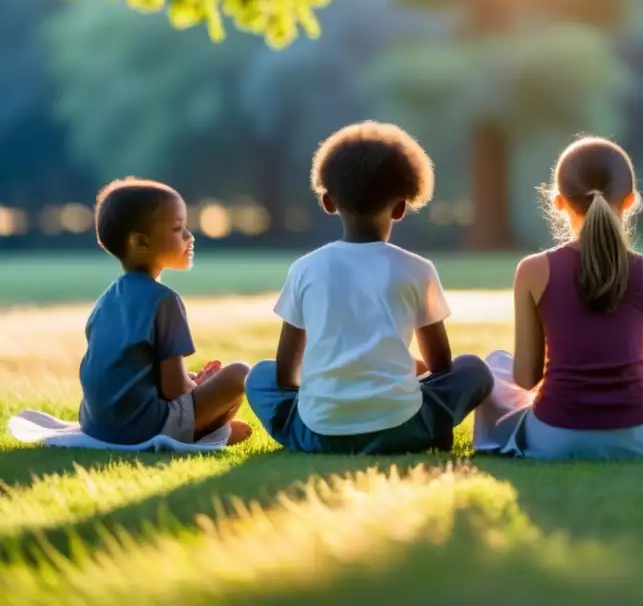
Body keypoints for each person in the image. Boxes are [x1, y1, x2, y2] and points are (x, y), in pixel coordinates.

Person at [245, 121, 494, 454]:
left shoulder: (305, 268)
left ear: (328, 202)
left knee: (259, 376)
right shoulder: (418, 269)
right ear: (401, 207)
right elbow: (440, 366)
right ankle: (428, 430)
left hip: (318, 433)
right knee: (474, 370)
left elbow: (285, 375)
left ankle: (311, 434)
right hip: (401, 428)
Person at [474, 136, 643, 459]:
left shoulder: (532, 271)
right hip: (640, 437)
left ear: (559, 202)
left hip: (554, 437)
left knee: (496, 367)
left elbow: (525, 378)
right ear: (630, 201)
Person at [78, 178, 252, 446]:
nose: (189, 237)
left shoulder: (106, 299)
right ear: (141, 242)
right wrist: (199, 387)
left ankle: (211, 425)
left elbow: (135, 370)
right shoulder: (164, 300)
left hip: (96, 424)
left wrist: (193, 381)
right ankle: (212, 432)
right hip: (144, 428)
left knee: (200, 379)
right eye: (177, 228)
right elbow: (173, 390)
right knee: (240, 373)